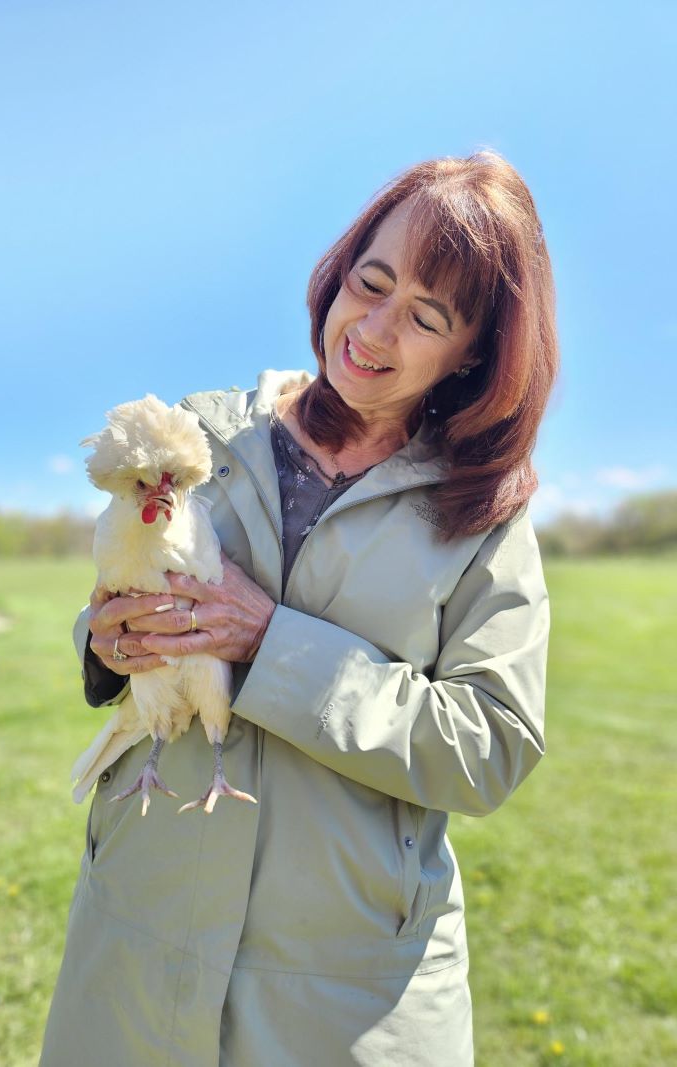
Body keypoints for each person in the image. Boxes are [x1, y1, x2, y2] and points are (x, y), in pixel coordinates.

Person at [40, 150, 557, 1067]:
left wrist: (271, 643)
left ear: (473, 350)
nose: (376, 328)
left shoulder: (482, 512)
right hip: (140, 931)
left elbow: (491, 746)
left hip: (346, 988)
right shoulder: (201, 435)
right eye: (372, 282)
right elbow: (111, 592)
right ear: (339, 271)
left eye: (427, 316)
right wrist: (105, 640)